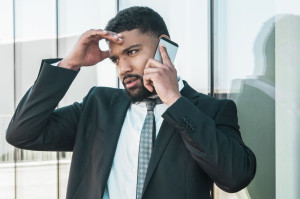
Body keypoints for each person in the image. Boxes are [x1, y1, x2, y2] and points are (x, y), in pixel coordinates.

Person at [6, 6, 256, 199]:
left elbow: (235, 177)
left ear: (163, 46)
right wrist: (69, 65)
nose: (123, 68)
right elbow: (22, 133)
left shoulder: (210, 111)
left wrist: (173, 101)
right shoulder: (98, 106)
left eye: (132, 52)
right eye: (115, 60)